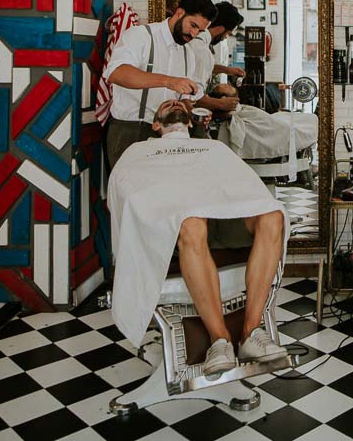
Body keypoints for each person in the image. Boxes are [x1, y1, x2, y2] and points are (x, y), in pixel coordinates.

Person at [108, 97, 288, 376]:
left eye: (179, 103)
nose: (173, 102)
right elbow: (127, 195)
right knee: (192, 223)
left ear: (191, 122)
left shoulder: (212, 148)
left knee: (273, 216)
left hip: (222, 221)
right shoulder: (139, 151)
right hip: (174, 230)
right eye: (165, 104)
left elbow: (240, 187)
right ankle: (220, 340)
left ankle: (250, 334)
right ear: (156, 124)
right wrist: (168, 210)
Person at [103, 0, 217, 167]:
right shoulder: (141, 36)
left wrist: (191, 113)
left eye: (199, 30)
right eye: (193, 25)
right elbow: (116, 73)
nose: (194, 34)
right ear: (179, 13)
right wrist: (168, 81)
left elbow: (184, 99)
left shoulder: (188, 54)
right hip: (131, 130)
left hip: (169, 135)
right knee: (130, 192)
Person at [190, 1, 246, 115]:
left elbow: (197, 66)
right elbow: (195, 98)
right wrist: (222, 104)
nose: (225, 38)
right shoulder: (202, 51)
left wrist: (226, 70)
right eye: (227, 34)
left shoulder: (195, 40)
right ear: (220, 29)